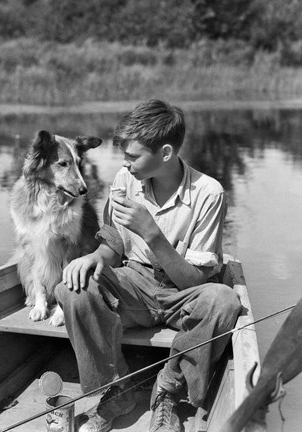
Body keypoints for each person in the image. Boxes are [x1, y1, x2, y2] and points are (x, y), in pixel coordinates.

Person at [55, 99, 242, 432]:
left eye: (132, 156)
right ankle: (118, 388)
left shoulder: (208, 193)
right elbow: (113, 244)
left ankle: (167, 388)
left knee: (224, 301)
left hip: (186, 293)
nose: (125, 164)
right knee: (72, 289)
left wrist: (153, 235)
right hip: (135, 282)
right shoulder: (125, 180)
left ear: (166, 153)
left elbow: (194, 280)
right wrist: (93, 258)